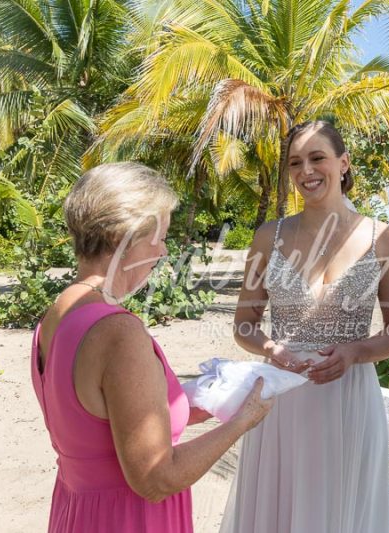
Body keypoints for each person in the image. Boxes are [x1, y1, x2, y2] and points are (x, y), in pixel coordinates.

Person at [30, 162, 273, 533]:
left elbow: (97, 424)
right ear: (124, 237)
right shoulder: (118, 331)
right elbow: (156, 478)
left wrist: (193, 405)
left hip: (77, 513)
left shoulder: (57, 314)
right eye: (158, 237)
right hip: (127, 519)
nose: (162, 253)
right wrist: (243, 421)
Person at [221, 121, 389, 533]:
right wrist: (272, 349)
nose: (306, 170)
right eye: (295, 162)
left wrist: (356, 352)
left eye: (317, 157)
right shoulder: (267, 237)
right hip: (282, 398)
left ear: (343, 163)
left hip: (350, 400)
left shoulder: (384, 239)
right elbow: (245, 325)